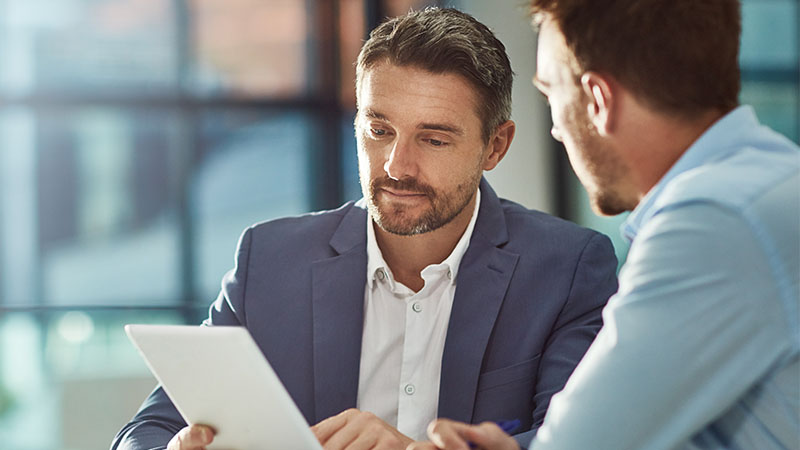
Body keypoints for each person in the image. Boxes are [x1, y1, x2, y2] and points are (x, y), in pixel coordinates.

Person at [111, 8, 618, 450]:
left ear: (495, 146)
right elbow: (148, 429)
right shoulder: (269, 259)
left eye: (433, 139)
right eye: (379, 130)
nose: (397, 165)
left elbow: (581, 439)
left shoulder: (568, 268)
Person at [411, 1, 800, 449]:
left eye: (551, 95)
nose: (557, 130)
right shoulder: (772, 180)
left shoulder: (713, 223)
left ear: (598, 100)